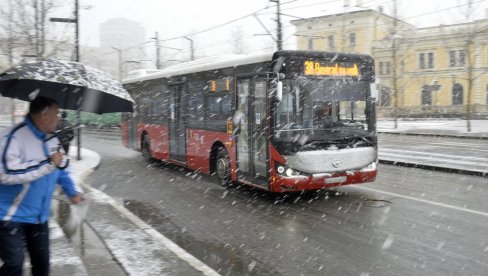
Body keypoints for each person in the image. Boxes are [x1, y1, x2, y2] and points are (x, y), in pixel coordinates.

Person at [0, 96, 83, 276]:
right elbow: (6, 173)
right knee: (14, 265)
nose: (59, 118)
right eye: (56, 114)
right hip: (9, 216)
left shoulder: (52, 139)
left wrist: (72, 190)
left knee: (42, 266)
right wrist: (46, 163)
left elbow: (61, 168)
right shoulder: (12, 137)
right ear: (44, 116)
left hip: (39, 216)